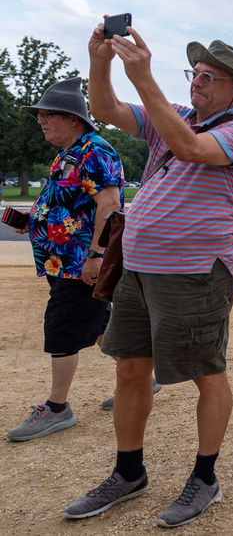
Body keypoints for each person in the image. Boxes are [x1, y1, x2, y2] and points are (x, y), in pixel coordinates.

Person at [63, 23, 233, 527]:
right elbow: (106, 110)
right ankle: (129, 473)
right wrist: (101, 60)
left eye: (211, 77)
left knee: (205, 372)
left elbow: (192, 148)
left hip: (197, 273)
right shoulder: (169, 114)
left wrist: (144, 77)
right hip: (138, 269)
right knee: (130, 370)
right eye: (195, 73)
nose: (198, 82)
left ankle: (205, 478)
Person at [6, 78, 124, 442]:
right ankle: (139, 377)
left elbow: (109, 206)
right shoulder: (68, 152)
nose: (40, 120)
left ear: (73, 119)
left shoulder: (96, 151)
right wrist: (34, 221)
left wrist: (97, 256)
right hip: (61, 261)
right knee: (101, 324)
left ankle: (57, 409)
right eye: (38, 115)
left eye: (48, 115)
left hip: (79, 263)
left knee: (61, 324)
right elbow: (69, 203)